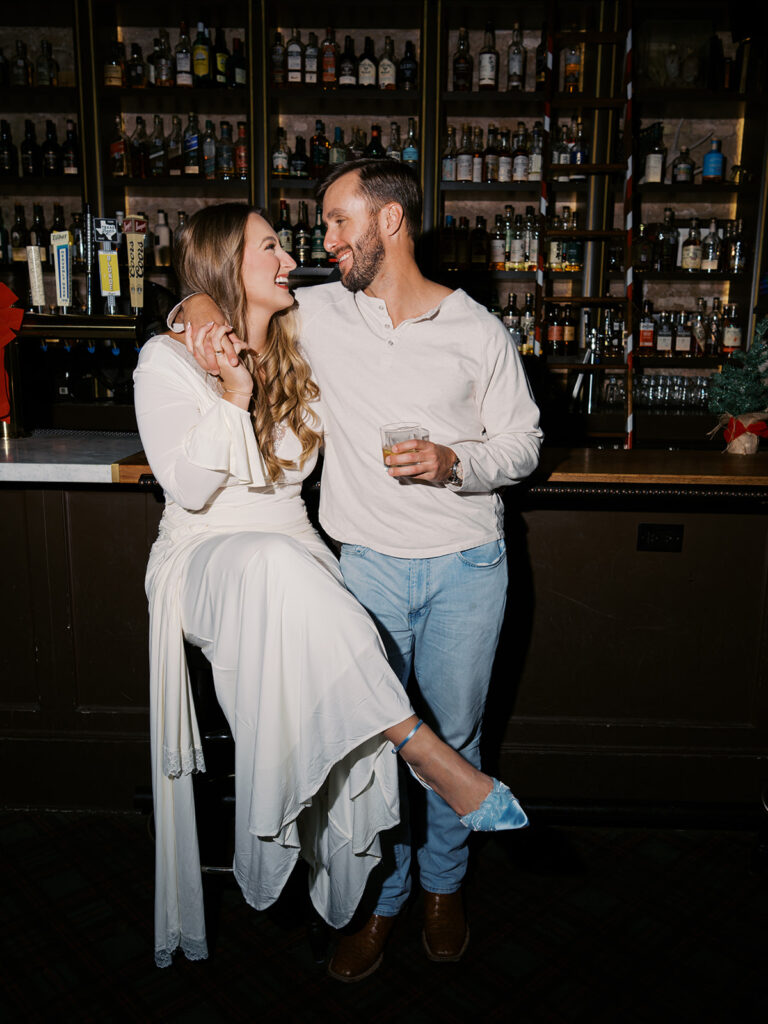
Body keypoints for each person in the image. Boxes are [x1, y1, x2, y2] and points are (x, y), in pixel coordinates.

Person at [135, 202, 529, 970]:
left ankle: (432, 882)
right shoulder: (170, 356)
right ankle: (419, 748)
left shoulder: (306, 331)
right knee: (284, 573)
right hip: (210, 553)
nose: (295, 260)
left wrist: (216, 309)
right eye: (273, 247)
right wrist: (226, 383)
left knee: (306, 579)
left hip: (301, 550)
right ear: (224, 263)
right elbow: (184, 484)